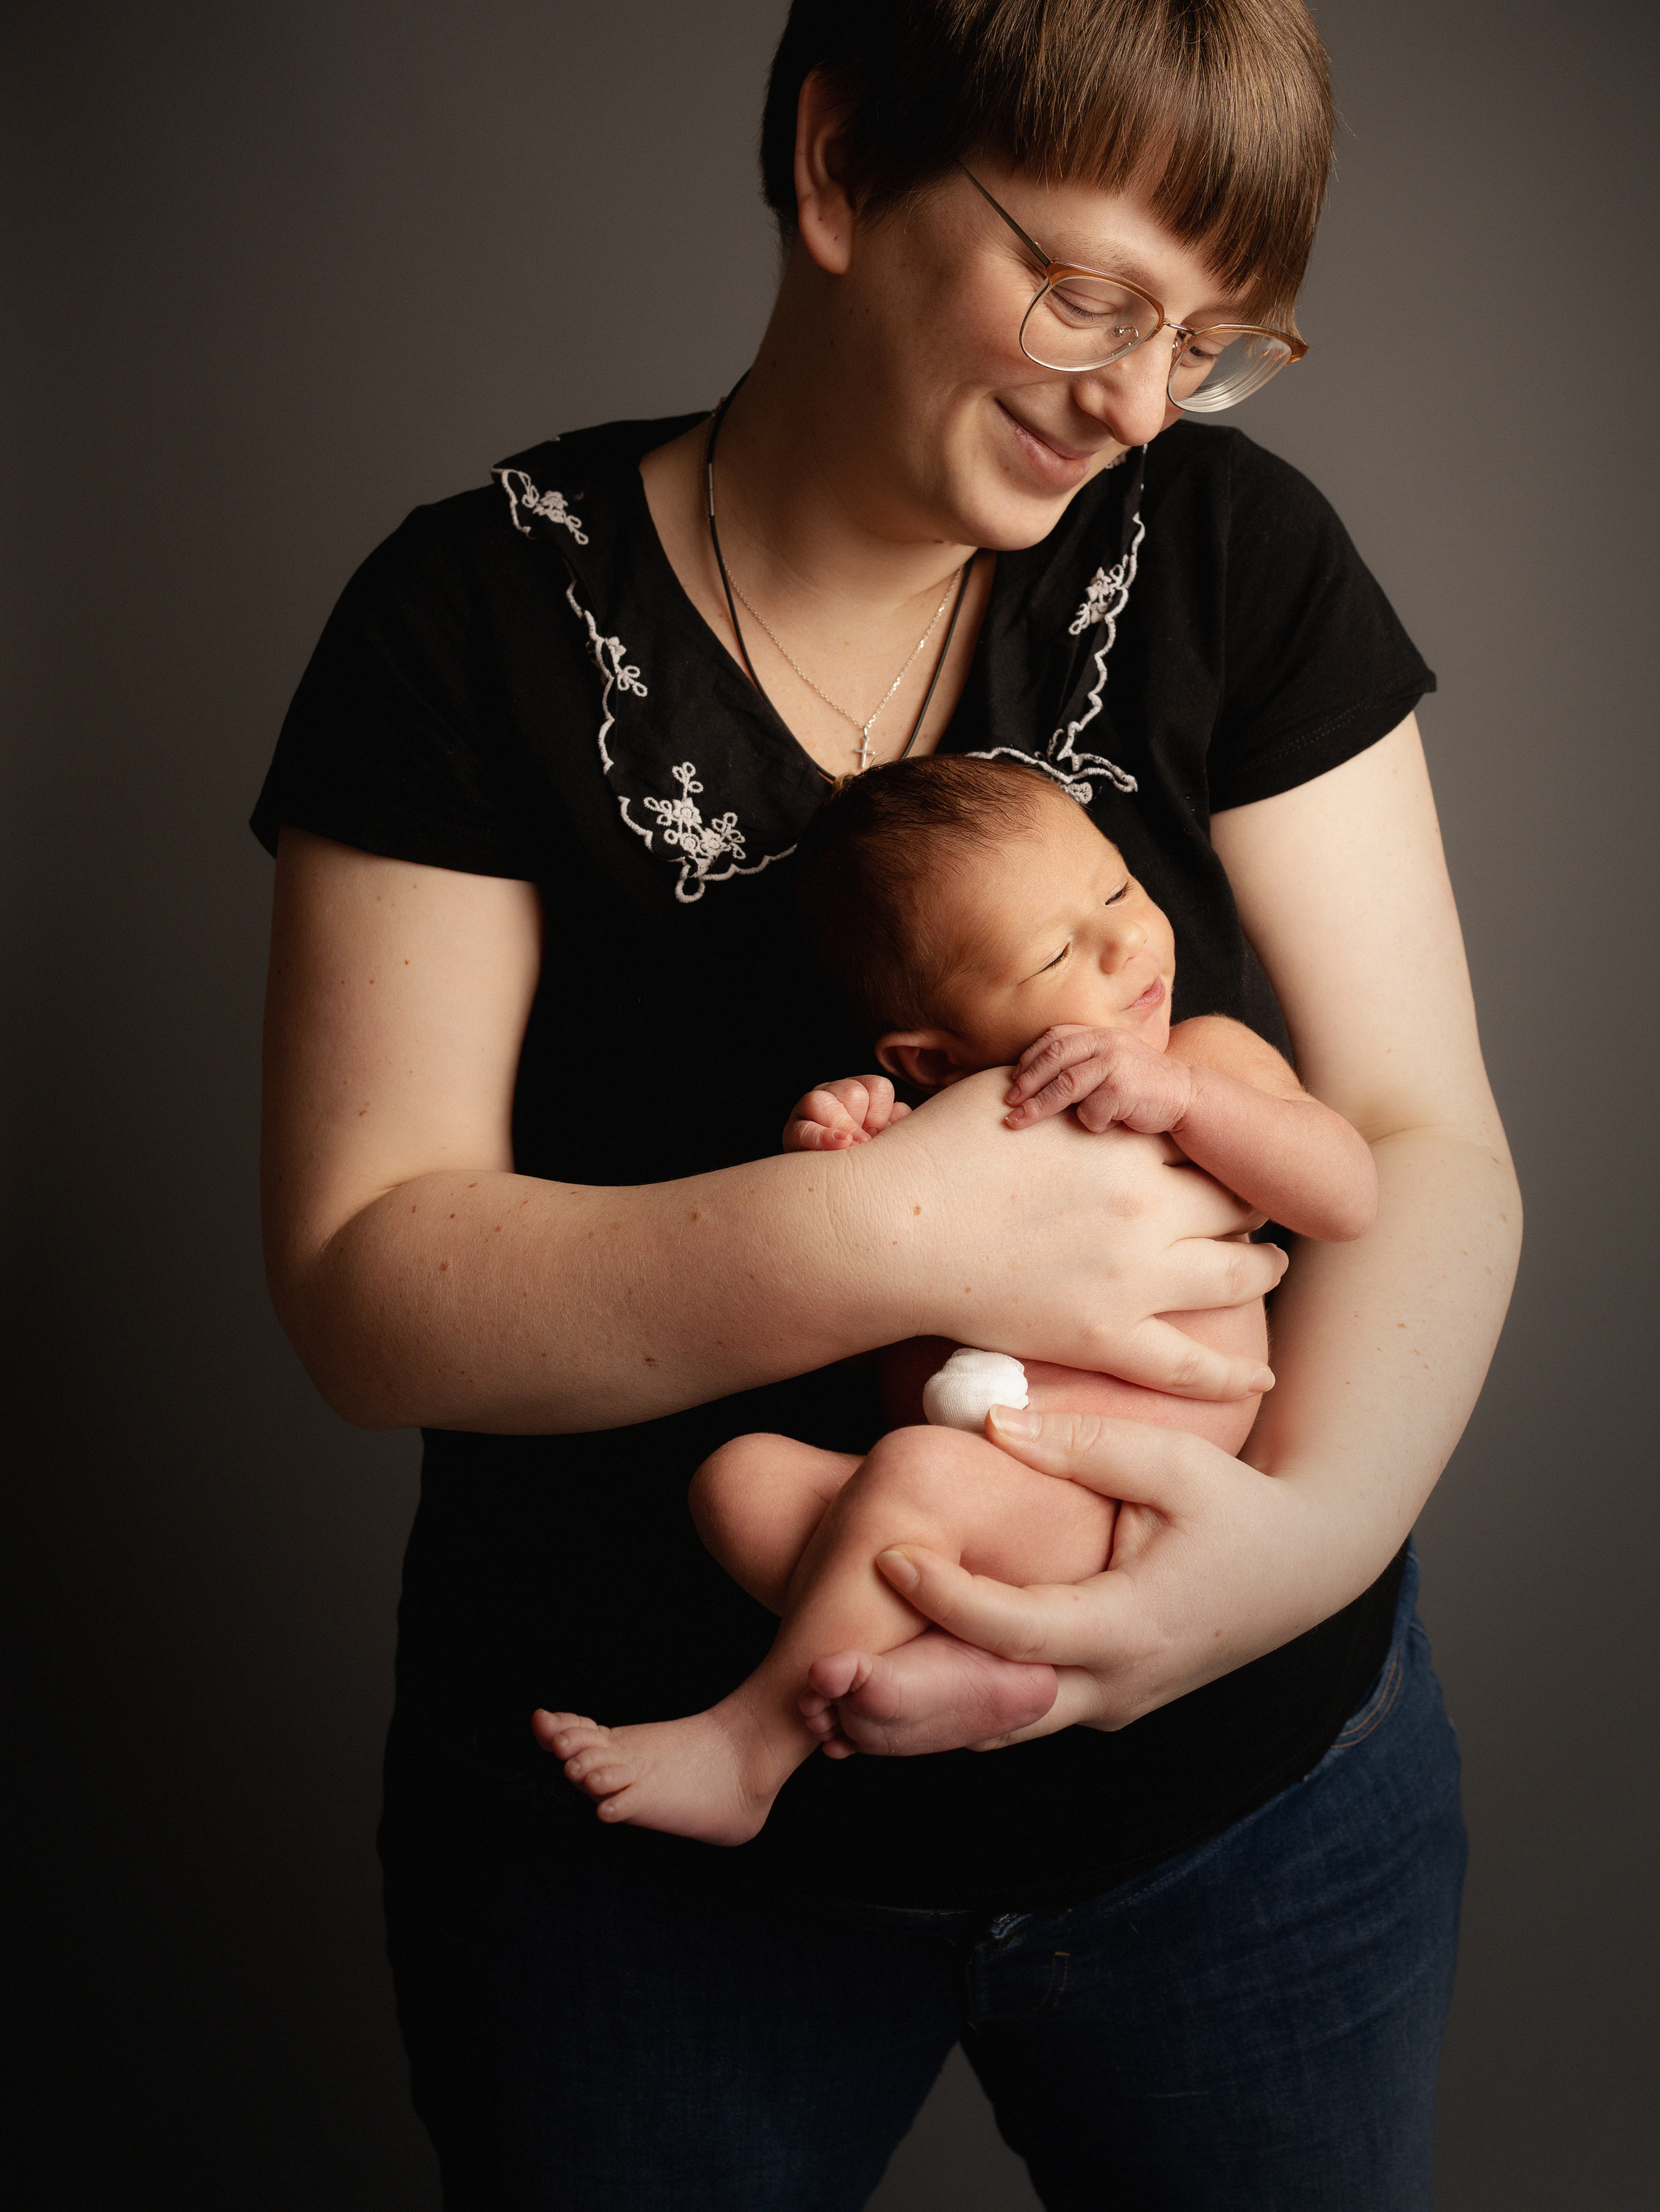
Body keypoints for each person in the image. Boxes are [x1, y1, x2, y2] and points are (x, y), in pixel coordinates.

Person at [255, 0, 1519, 2209]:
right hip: (647, 1875)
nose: (1142, 399)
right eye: (1085, 295)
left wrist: (1299, 1548)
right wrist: (905, 1236)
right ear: (842, 163)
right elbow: (362, 1282)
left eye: (1210, 338)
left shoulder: (1231, 554)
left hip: (1256, 1825)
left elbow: (1431, 1138)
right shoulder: (469, 625)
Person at [532, 753, 1378, 1843]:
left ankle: (751, 1752)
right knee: (735, 1485)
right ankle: (968, 1664)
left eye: (1116, 886)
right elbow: (847, 1286)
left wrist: (1187, 1099)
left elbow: (1347, 1190)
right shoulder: (938, 1123)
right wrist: (852, 1161)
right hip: (974, 1497)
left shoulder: (1209, 1059)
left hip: (1112, 1500)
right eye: (1057, 950)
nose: (1127, 941)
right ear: (931, 1055)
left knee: (917, 1471)